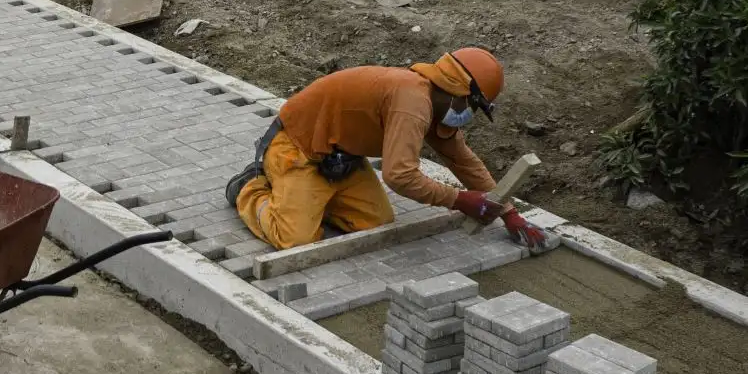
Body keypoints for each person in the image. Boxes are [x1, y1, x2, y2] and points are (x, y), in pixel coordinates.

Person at [226, 48, 549, 252]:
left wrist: (509, 213)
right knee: (294, 239)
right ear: (458, 91)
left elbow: (463, 162)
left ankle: (307, 200)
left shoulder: (435, 106)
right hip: (297, 150)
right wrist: (460, 200)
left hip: (341, 159)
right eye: (474, 105)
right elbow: (400, 176)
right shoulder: (412, 102)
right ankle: (251, 187)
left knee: (376, 223)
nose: (471, 114)